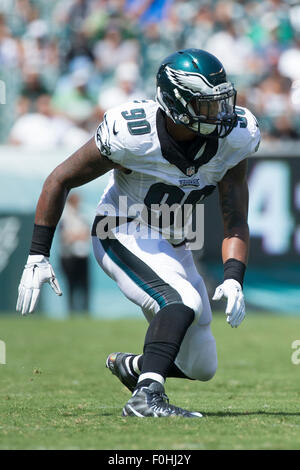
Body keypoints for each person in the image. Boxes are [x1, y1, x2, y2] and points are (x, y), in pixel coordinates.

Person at [16, 48, 260, 418]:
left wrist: (234, 277)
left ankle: (136, 368)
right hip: (120, 227)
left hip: (176, 238)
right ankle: (146, 398)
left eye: (221, 100)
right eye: (207, 105)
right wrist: (38, 253)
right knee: (180, 301)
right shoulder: (133, 134)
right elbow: (60, 179)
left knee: (202, 365)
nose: (221, 113)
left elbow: (235, 218)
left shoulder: (235, 138)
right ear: (177, 103)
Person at [59, 193, 90, 312]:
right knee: (71, 286)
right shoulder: (65, 217)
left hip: (82, 255)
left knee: (84, 286)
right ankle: (71, 310)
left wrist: (76, 235)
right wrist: (78, 235)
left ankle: (85, 310)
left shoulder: (82, 216)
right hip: (69, 256)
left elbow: (87, 234)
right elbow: (65, 237)